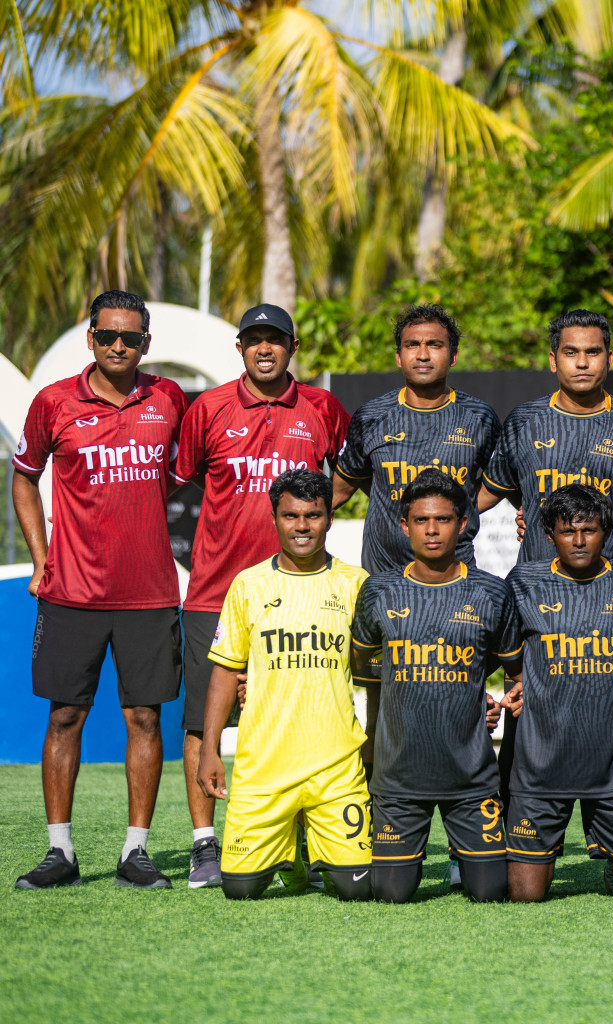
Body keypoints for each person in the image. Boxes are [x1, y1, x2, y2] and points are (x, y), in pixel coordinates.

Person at [13, 291, 188, 891]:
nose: (119, 346)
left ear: (147, 342)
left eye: (131, 337)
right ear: (91, 337)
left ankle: (134, 854)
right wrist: (42, 559)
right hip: (72, 593)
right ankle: (59, 852)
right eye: (108, 335)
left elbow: (186, 477)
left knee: (145, 716)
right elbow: (24, 479)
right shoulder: (53, 402)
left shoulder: (169, 398)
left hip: (150, 594)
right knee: (65, 716)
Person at [172, 303, 350, 890]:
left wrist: (316, 516)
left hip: (299, 586)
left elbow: (348, 471)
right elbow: (188, 476)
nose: (264, 349)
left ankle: (301, 839)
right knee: (205, 721)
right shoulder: (209, 408)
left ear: (293, 346)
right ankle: (204, 843)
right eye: (254, 340)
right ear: (242, 349)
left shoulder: (321, 407)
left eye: (275, 339)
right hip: (214, 590)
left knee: (297, 714)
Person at [194, 469, 371, 900]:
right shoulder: (248, 585)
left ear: (329, 519)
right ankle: (291, 848)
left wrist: (376, 742)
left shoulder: (356, 585)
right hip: (265, 769)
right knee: (240, 890)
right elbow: (223, 670)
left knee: (357, 889)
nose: (302, 526)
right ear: (273, 517)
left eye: (313, 515)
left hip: (336, 769)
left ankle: (309, 842)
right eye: (291, 516)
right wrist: (209, 748)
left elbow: (373, 671)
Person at [350, 469, 518, 903]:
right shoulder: (378, 591)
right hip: (399, 781)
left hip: (471, 780)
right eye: (421, 520)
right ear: (403, 526)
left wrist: (493, 698)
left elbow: (515, 670)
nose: (431, 530)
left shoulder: (491, 593)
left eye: (443, 519)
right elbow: (365, 672)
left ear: (462, 525)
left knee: (491, 893)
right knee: (391, 895)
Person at [501, 484, 613, 902]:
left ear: (605, 532)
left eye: (588, 530)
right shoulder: (523, 582)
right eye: (567, 531)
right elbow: (508, 652)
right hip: (541, 768)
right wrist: (519, 684)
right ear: (549, 536)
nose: (578, 540)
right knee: (525, 898)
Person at [479, 308, 613, 566]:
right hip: (537, 587)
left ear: (609, 359)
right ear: (553, 361)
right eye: (571, 352)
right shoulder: (523, 421)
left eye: (592, 352)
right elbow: (490, 491)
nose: (582, 363)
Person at [333, 304, 500, 576]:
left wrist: (463, 505)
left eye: (434, 345)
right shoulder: (371, 416)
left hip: (455, 575)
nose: (423, 355)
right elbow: (341, 488)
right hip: (385, 577)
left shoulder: (480, 417)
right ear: (399, 357)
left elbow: (502, 481)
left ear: (453, 356)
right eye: (412, 345)